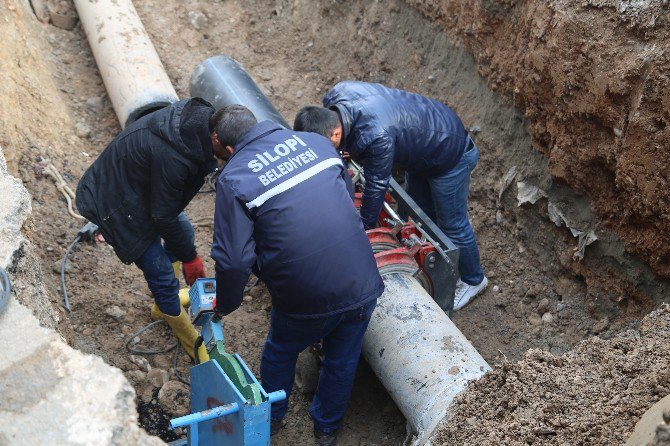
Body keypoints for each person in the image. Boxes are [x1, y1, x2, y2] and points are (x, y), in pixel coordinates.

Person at [210, 104, 384, 446]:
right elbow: (347, 197)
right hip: (363, 279)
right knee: (343, 357)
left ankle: (272, 418)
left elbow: (233, 259)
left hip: (307, 296)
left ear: (227, 147)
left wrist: (225, 304)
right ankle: (327, 429)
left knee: (279, 350)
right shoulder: (316, 143)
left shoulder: (234, 179)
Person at [294, 81, 488, 310]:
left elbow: (377, 186)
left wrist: (362, 230)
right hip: (422, 146)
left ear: (335, 133)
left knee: (453, 224)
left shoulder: (376, 136)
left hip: (450, 154)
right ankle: (435, 259)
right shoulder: (339, 95)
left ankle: (474, 280)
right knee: (418, 211)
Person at [76, 98, 230, 362]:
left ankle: (162, 306)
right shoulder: (173, 154)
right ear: (215, 137)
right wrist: (190, 258)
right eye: (229, 149)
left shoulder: (198, 132)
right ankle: (191, 340)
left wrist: (187, 251)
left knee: (185, 233)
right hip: (116, 204)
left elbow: (166, 212)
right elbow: (163, 215)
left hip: (140, 192)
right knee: (161, 274)